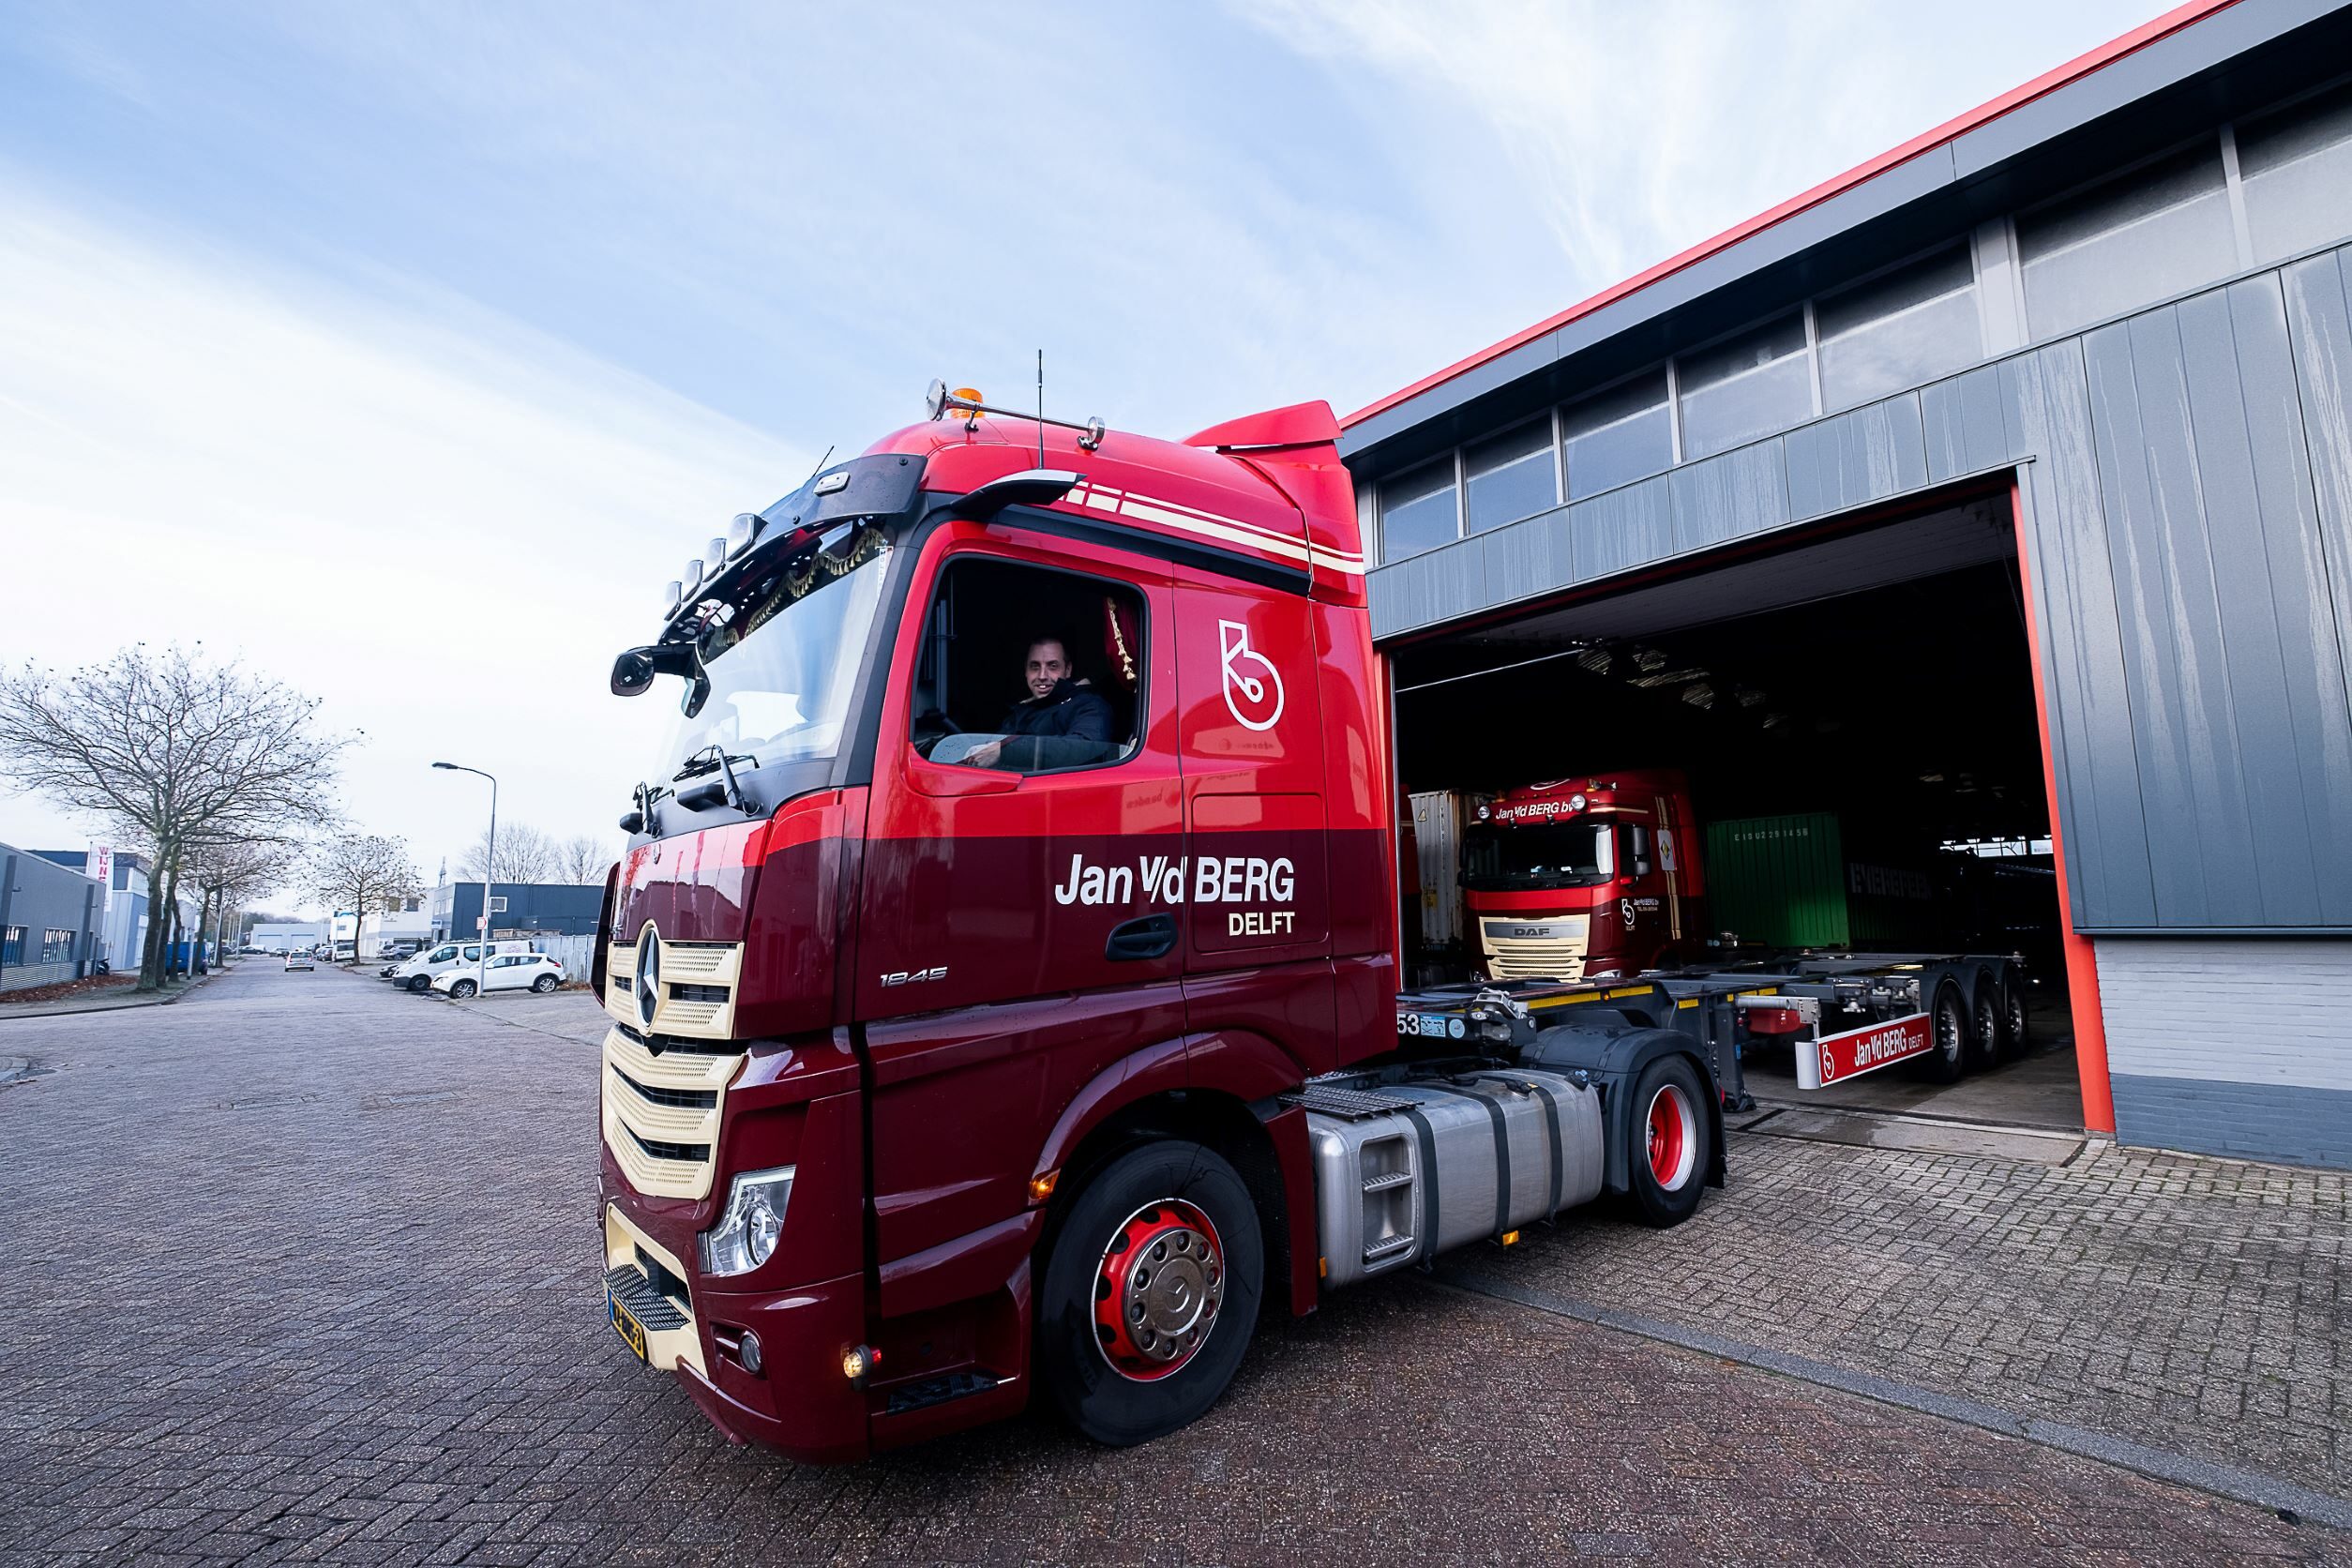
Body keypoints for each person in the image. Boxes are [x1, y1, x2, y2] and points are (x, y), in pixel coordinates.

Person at [964, 637, 1114, 771]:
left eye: (1052, 666)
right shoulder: (1018, 714)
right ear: (1026, 672)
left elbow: (1086, 747)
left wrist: (1005, 751)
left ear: (1068, 670)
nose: (1042, 676)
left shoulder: (1090, 705)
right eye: (1035, 667)